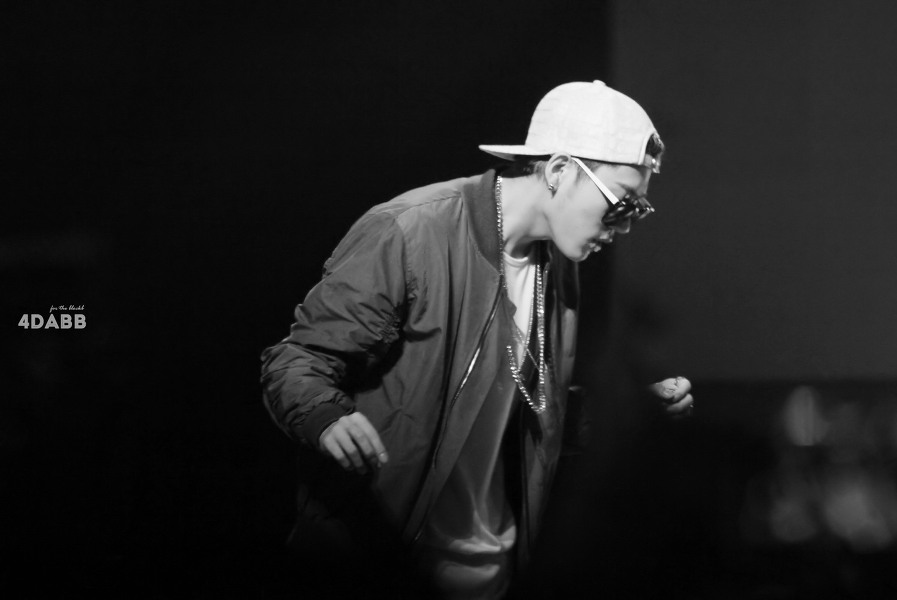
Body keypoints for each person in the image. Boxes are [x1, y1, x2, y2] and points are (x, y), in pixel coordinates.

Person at [260, 80, 694, 599]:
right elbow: (296, 361)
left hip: (490, 570)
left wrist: (624, 413)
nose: (623, 227)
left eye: (637, 211)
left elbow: (524, 407)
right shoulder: (412, 231)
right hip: (383, 564)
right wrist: (326, 416)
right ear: (559, 170)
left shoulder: (557, 264)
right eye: (620, 204)